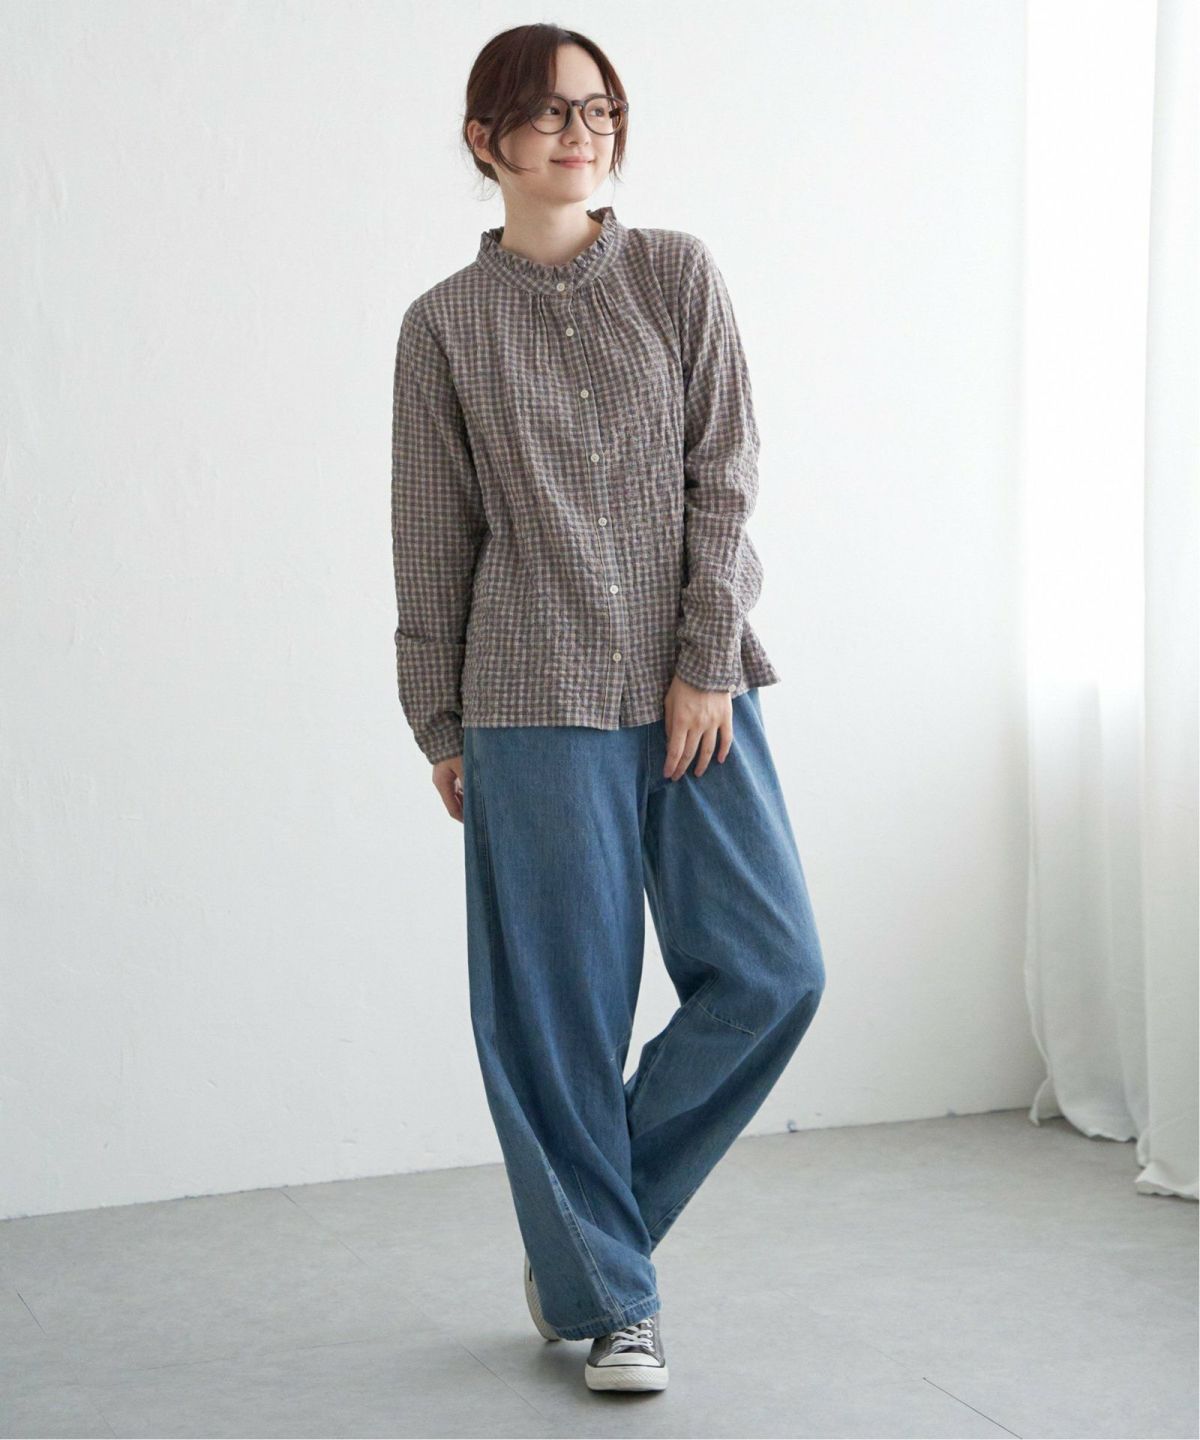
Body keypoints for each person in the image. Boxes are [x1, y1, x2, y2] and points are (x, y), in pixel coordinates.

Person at [390, 22, 826, 1395]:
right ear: (485, 140)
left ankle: (580, 1244)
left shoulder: (676, 275)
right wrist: (438, 720)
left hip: (693, 686)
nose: (581, 132)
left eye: (599, 108)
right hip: (525, 699)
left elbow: (726, 475)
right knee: (558, 1017)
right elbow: (432, 536)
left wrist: (706, 658)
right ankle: (615, 1304)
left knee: (774, 972)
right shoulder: (442, 327)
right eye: (548, 112)